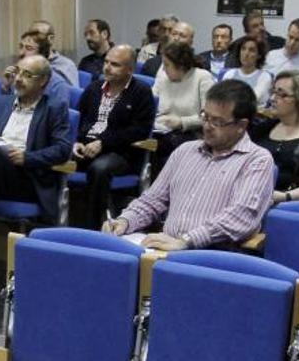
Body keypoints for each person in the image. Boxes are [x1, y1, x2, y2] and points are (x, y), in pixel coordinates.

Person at [103, 80, 275, 250]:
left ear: (241, 125)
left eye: (217, 121)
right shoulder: (185, 151)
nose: (207, 126)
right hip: (166, 249)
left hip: (214, 258)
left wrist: (186, 241)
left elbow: (240, 217)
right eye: (205, 116)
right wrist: (125, 221)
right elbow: (153, 200)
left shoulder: (256, 160)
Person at [0, 55, 71, 220]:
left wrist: (27, 158)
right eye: (17, 72)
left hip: (26, 178)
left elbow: (62, 150)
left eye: (27, 75)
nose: (18, 79)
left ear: (43, 81)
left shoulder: (54, 108)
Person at [74, 45, 155, 229]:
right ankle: (50, 221)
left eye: (115, 64)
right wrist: (76, 142)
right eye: (106, 62)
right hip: (86, 147)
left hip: (120, 152)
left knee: (99, 169)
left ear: (130, 69)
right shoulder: (94, 88)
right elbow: (79, 119)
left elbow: (139, 130)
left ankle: (93, 228)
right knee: (53, 155)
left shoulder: (141, 92)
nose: (107, 67)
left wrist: (103, 142)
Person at [151, 42, 215, 176]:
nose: (163, 69)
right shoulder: (162, 78)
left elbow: (210, 116)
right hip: (161, 130)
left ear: (180, 65)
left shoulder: (202, 77)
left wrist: (182, 122)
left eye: (167, 65)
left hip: (191, 133)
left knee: (161, 149)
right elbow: (150, 104)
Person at [251, 71, 299, 203]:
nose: (272, 98)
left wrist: (286, 196)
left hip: (297, 205)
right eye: (273, 92)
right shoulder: (262, 129)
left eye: (281, 94)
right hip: (255, 198)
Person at [0, 29, 69, 107]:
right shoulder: (15, 77)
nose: (21, 53)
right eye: (21, 47)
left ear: (41, 54)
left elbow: (55, 116)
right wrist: (6, 87)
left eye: (29, 48)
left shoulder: (57, 86)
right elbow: (6, 110)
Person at [222, 36, 273, 107]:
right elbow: (222, 97)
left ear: (259, 55)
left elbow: (252, 99)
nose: (246, 54)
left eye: (251, 50)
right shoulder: (230, 74)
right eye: (243, 49)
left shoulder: (264, 76)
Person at [28, 20, 78, 85]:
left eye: (36, 34)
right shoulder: (26, 63)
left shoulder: (66, 65)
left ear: (50, 38)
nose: (31, 39)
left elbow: (72, 94)